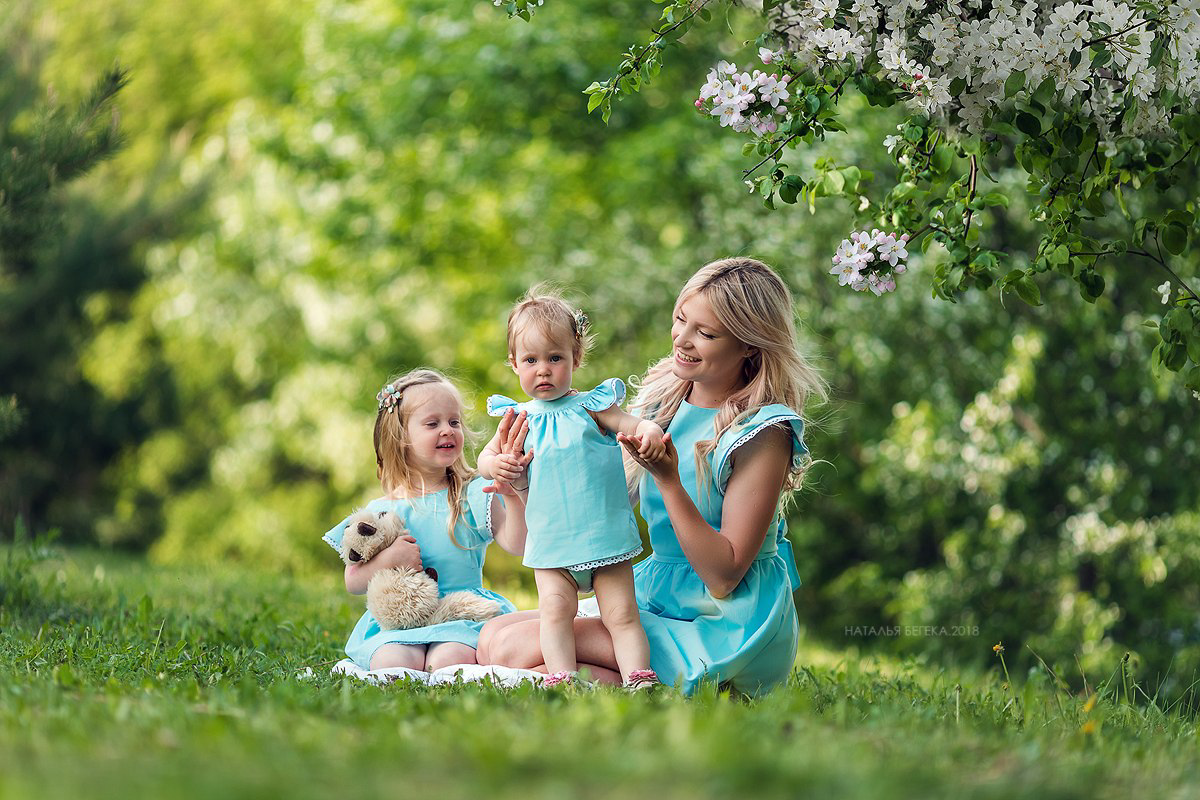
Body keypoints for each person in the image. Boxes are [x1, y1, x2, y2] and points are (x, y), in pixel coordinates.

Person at [478, 258, 827, 695]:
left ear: (749, 346)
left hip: (723, 618)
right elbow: (587, 505)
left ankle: (656, 683)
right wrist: (521, 481)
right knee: (493, 635)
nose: (682, 339)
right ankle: (617, 678)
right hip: (659, 590)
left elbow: (724, 576)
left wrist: (668, 480)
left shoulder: (763, 432)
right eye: (680, 319)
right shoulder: (667, 399)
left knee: (510, 647)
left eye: (706, 333)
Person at [478, 288, 666, 689]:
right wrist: (496, 464)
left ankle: (639, 677)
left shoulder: (592, 406)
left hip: (605, 540)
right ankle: (563, 678)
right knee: (555, 613)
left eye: (555, 358)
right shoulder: (518, 417)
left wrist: (649, 430)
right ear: (514, 363)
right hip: (553, 546)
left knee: (621, 615)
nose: (543, 370)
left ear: (575, 358)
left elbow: (632, 424)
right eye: (531, 360)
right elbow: (485, 458)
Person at [322, 368, 528, 675]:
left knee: (448, 662)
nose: (447, 430)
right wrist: (389, 559)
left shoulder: (473, 493)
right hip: (400, 621)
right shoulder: (382, 512)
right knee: (391, 663)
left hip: (462, 616)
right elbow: (353, 582)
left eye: (454, 422)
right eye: (433, 424)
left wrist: (512, 495)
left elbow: (517, 545)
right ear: (401, 438)